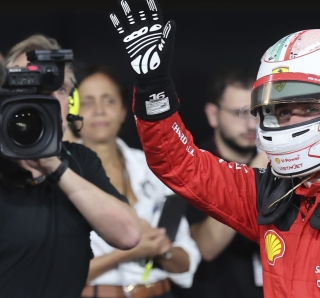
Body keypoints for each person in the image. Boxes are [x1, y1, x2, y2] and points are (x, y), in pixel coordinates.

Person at [108, 1, 320, 296]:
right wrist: (153, 89)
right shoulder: (274, 195)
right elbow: (180, 166)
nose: (290, 122)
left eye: (308, 107)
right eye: (281, 110)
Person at [0, 35, 141, 297]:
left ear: (71, 103)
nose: (47, 98)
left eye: (60, 88)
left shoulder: (79, 161)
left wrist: (55, 166)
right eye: (27, 82)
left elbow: (129, 235)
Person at [75, 65, 200, 298]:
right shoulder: (64, 176)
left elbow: (187, 262)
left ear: (124, 111)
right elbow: (55, 274)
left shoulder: (152, 166)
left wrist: (164, 250)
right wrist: (129, 251)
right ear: (73, 113)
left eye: (109, 101)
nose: (99, 111)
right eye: (87, 102)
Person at [173, 66, 265, 298]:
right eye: (240, 113)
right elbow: (204, 247)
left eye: (257, 112)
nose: (252, 125)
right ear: (213, 115)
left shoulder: (280, 165)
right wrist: (253, 173)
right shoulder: (194, 166)